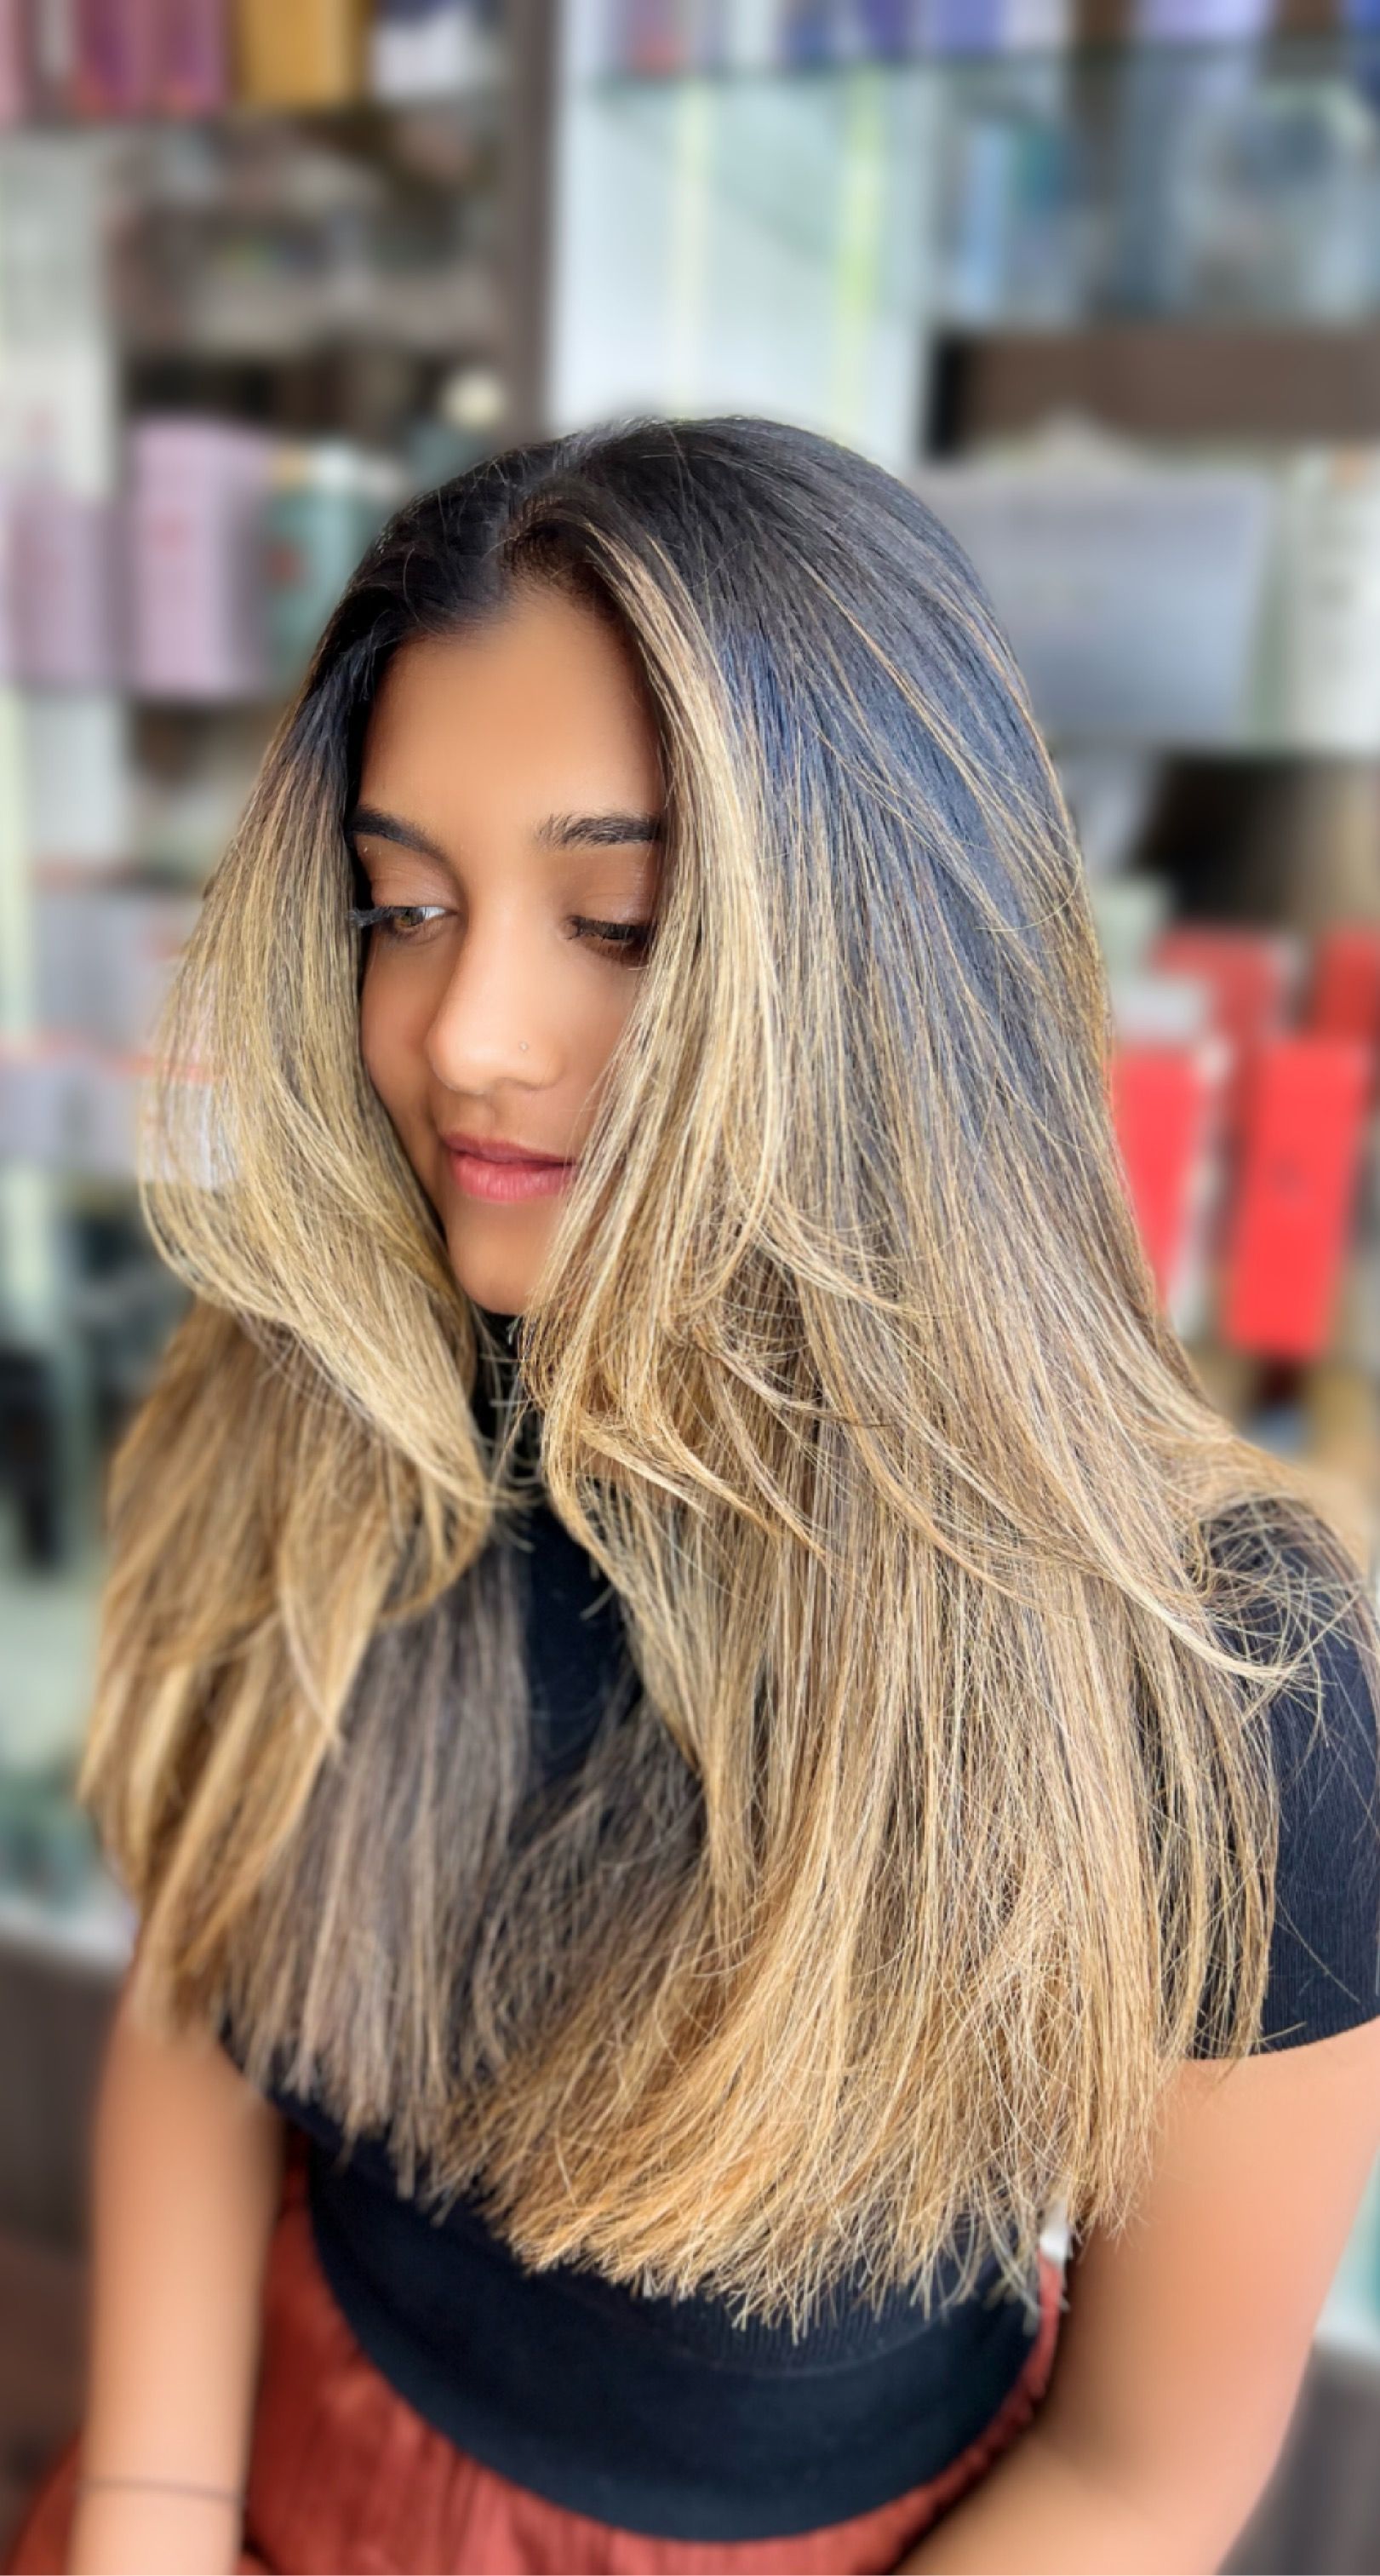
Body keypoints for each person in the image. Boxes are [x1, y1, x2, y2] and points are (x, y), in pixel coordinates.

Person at [5, 413, 1380, 2576]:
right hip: (277, 2438)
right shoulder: (332, 1392)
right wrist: (154, 2523)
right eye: (402, 905)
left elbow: (1138, 2472)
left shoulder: (1223, 1678)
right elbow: (210, 1998)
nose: (464, 1031)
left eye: (616, 920)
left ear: (891, 975)